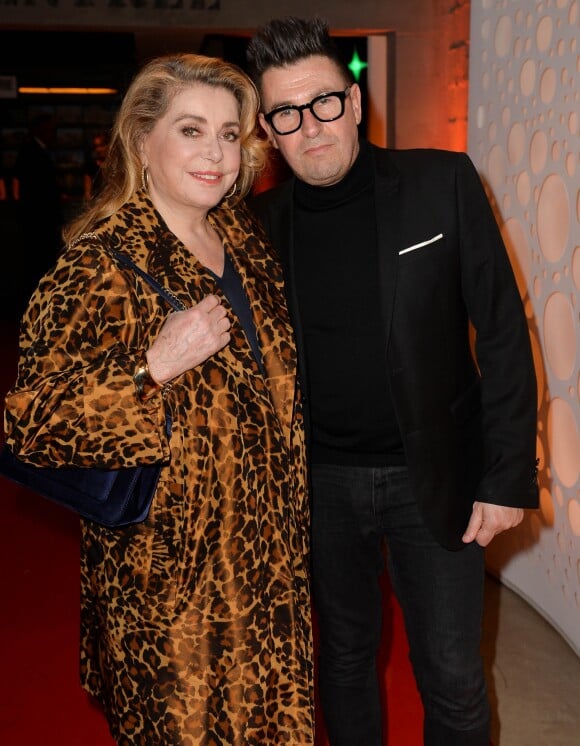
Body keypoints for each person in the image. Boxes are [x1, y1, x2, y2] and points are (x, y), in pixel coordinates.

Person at [3, 53, 314, 745]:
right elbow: (31, 423)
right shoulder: (99, 262)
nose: (216, 154)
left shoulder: (243, 240)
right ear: (143, 141)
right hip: (170, 582)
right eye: (191, 130)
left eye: (229, 134)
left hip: (269, 564)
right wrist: (151, 366)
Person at [246, 17, 538, 746]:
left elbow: (502, 331)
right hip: (318, 486)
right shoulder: (254, 225)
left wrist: (506, 477)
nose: (309, 126)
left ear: (353, 102)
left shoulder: (442, 182)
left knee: (452, 675)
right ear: (268, 129)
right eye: (286, 112)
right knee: (343, 661)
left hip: (432, 477)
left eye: (322, 104)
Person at [12, 112, 64, 293]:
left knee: (39, 260)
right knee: (38, 261)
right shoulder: (32, 152)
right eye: (50, 129)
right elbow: (34, 186)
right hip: (39, 218)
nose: (53, 134)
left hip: (39, 217)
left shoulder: (36, 151)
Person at [83, 130, 110, 200]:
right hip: (97, 202)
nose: (98, 149)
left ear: (109, 145)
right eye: (95, 146)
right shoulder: (91, 165)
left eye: (101, 145)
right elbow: (87, 193)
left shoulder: (116, 164)